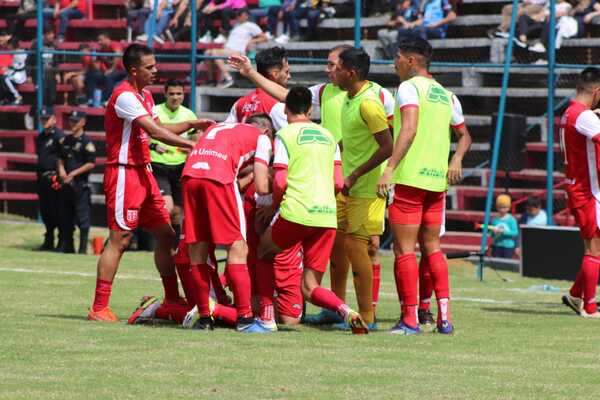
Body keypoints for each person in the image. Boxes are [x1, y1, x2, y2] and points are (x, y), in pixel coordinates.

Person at [228, 44, 396, 326]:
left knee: (365, 247)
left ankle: (368, 314)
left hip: (363, 185)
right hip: (334, 189)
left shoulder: (374, 97)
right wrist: (250, 73)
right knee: (338, 249)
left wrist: (388, 173)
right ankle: (339, 309)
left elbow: (389, 141)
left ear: (349, 71)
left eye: (333, 65)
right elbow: (286, 96)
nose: (327, 70)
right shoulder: (329, 94)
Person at [88, 43, 214, 322]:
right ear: (134, 70)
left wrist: (194, 124)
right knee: (120, 239)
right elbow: (154, 130)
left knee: (166, 234)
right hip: (124, 173)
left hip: (143, 173)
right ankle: (98, 308)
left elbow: (162, 127)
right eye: (150, 67)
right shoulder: (124, 96)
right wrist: (189, 146)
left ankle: (171, 297)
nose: (156, 71)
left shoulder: (143, 95)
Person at [377, 37, 471, 335]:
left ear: (410, 61)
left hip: (410, 179)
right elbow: (465, 136)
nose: (394, 64)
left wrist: (389, 168)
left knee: (403, 250)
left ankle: (409, 320)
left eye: (397, 58)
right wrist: (456, 159)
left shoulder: (409, 87)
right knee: (433, 247)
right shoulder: (447, 95)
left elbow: (410, 127)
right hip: (436, 182)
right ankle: (444, 319)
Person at [257, 86, 369, 334]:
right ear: (310, 109)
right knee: (309, 287)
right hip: (326, 215)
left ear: (285, 110)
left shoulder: (285, 135)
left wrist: (274, 207)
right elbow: (339, 183)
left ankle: (265, 317)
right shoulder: (329, 137)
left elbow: (280, 181)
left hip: (296, 211)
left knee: (264, 252)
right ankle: (345, 311)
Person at [180, 114, 274, 332]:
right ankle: (245, 319)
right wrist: (270, 202)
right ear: (267, 132)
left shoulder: (222, 126)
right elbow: (261, 184)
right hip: (219, 179)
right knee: (238, 246)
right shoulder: (262, 138)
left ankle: (204, 318)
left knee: (198, 249)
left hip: (190, 176)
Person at [559, 67, 600, 319]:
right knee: (594, 248)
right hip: (587, 191)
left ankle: (576, 295)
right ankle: (590, 306)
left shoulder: (570, 111)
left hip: (578, 187)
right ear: (597, 91)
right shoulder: (584, 117)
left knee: (594, 246)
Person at [150, 79, 197, 248]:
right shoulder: (154, 111)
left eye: (179, 94)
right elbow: (141, 137)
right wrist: (154, 145)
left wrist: (192, 149)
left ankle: (174, 249)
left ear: (184, 95)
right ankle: (161, 244)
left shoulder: (189, 115)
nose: (175, 97)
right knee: (167, 208)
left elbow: (196, 139)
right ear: (165, 94)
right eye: (171, 94)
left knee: (178, 213)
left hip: (180, 168)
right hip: (159, 166)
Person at [56, 111, 96, 254]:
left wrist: (73, 173)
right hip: (66, 185)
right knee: (66, 217)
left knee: (82, 219)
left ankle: (82, 249)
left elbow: (91, 163)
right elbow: (60, 157)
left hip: (80, 185)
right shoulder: (65, 140)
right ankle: (68, 247)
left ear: (83, 122)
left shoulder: (86, 142)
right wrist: (61, 170)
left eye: (76, 121)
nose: (72, 124)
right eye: (71, 121)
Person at [224, 46, 289, 129]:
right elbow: (293, 136)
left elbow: (227, 132)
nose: (289, 76)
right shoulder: (278, 106)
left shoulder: (239, 104)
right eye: (286, 72)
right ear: (275, 74)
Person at [204, 8, 266, 88]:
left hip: (237, 52)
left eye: (241, 14)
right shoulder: (236, 26)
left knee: (214, 53)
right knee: (207, 53)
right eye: (238, 15)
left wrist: (251, 41)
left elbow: (264, 37)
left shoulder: (251, 25)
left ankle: (228, 78)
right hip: (227, 50)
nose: (238, 16)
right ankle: (211, 80)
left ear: (246, 16)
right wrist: (224, 34)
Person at [35, 107, 64, 251]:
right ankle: (49, 239)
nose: (44, 122)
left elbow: (63, 157)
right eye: (42, 119)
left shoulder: (59, 136)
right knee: (45, 210)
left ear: (54, 119)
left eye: (47, 119)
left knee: (56, 210)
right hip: (42, 179)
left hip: (54, 179)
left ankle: (61, 240)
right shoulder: (40, 137)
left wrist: (59, 175)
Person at [84, 32, 127, 105]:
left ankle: (107, 100)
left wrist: (111, 69)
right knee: (91, 75)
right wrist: (89, 58)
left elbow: (118, 55)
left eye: (101, 40)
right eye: (98, 40)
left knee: (109, 76)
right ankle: (91, 99)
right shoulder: (101, 50)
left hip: (122, 70)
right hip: (108, 72)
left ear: (107, 39)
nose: (99, 42)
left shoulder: (114, 44)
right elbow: (96, 66)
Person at [488, 194, 518, 258]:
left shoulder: (511, 220)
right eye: (500, 207)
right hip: (496, 245)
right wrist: (493, 232)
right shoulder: (495, 219)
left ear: (509, 207)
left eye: (504, 207)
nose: (502, 210)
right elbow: (491, 233)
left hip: (508, 246)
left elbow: (515, 232)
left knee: (506, 264)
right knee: (496, 264)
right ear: (496, 207)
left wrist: (503, 232)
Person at [0, 38, 27, 105]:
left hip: (20, 75)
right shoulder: (14, 53)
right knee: (2, 76)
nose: (7, 47)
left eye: (8, 45)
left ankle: (18, 97)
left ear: (11, 45)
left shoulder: (21, 53)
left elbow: (18, 68)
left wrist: (8, 68)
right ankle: (5, 98)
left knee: (5, 78)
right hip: (15, 73)